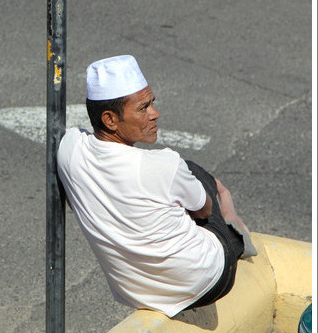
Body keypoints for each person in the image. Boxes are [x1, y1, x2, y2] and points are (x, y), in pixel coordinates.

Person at [57, 54, 257, 318]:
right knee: (200, 177)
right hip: (207, 281)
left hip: (134, 292)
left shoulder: (68, 147)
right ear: (110, 120)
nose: (155, 114)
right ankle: (235, 229)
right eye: (143, 108)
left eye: (152, 104)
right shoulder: (164, 164)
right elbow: (204, 211)